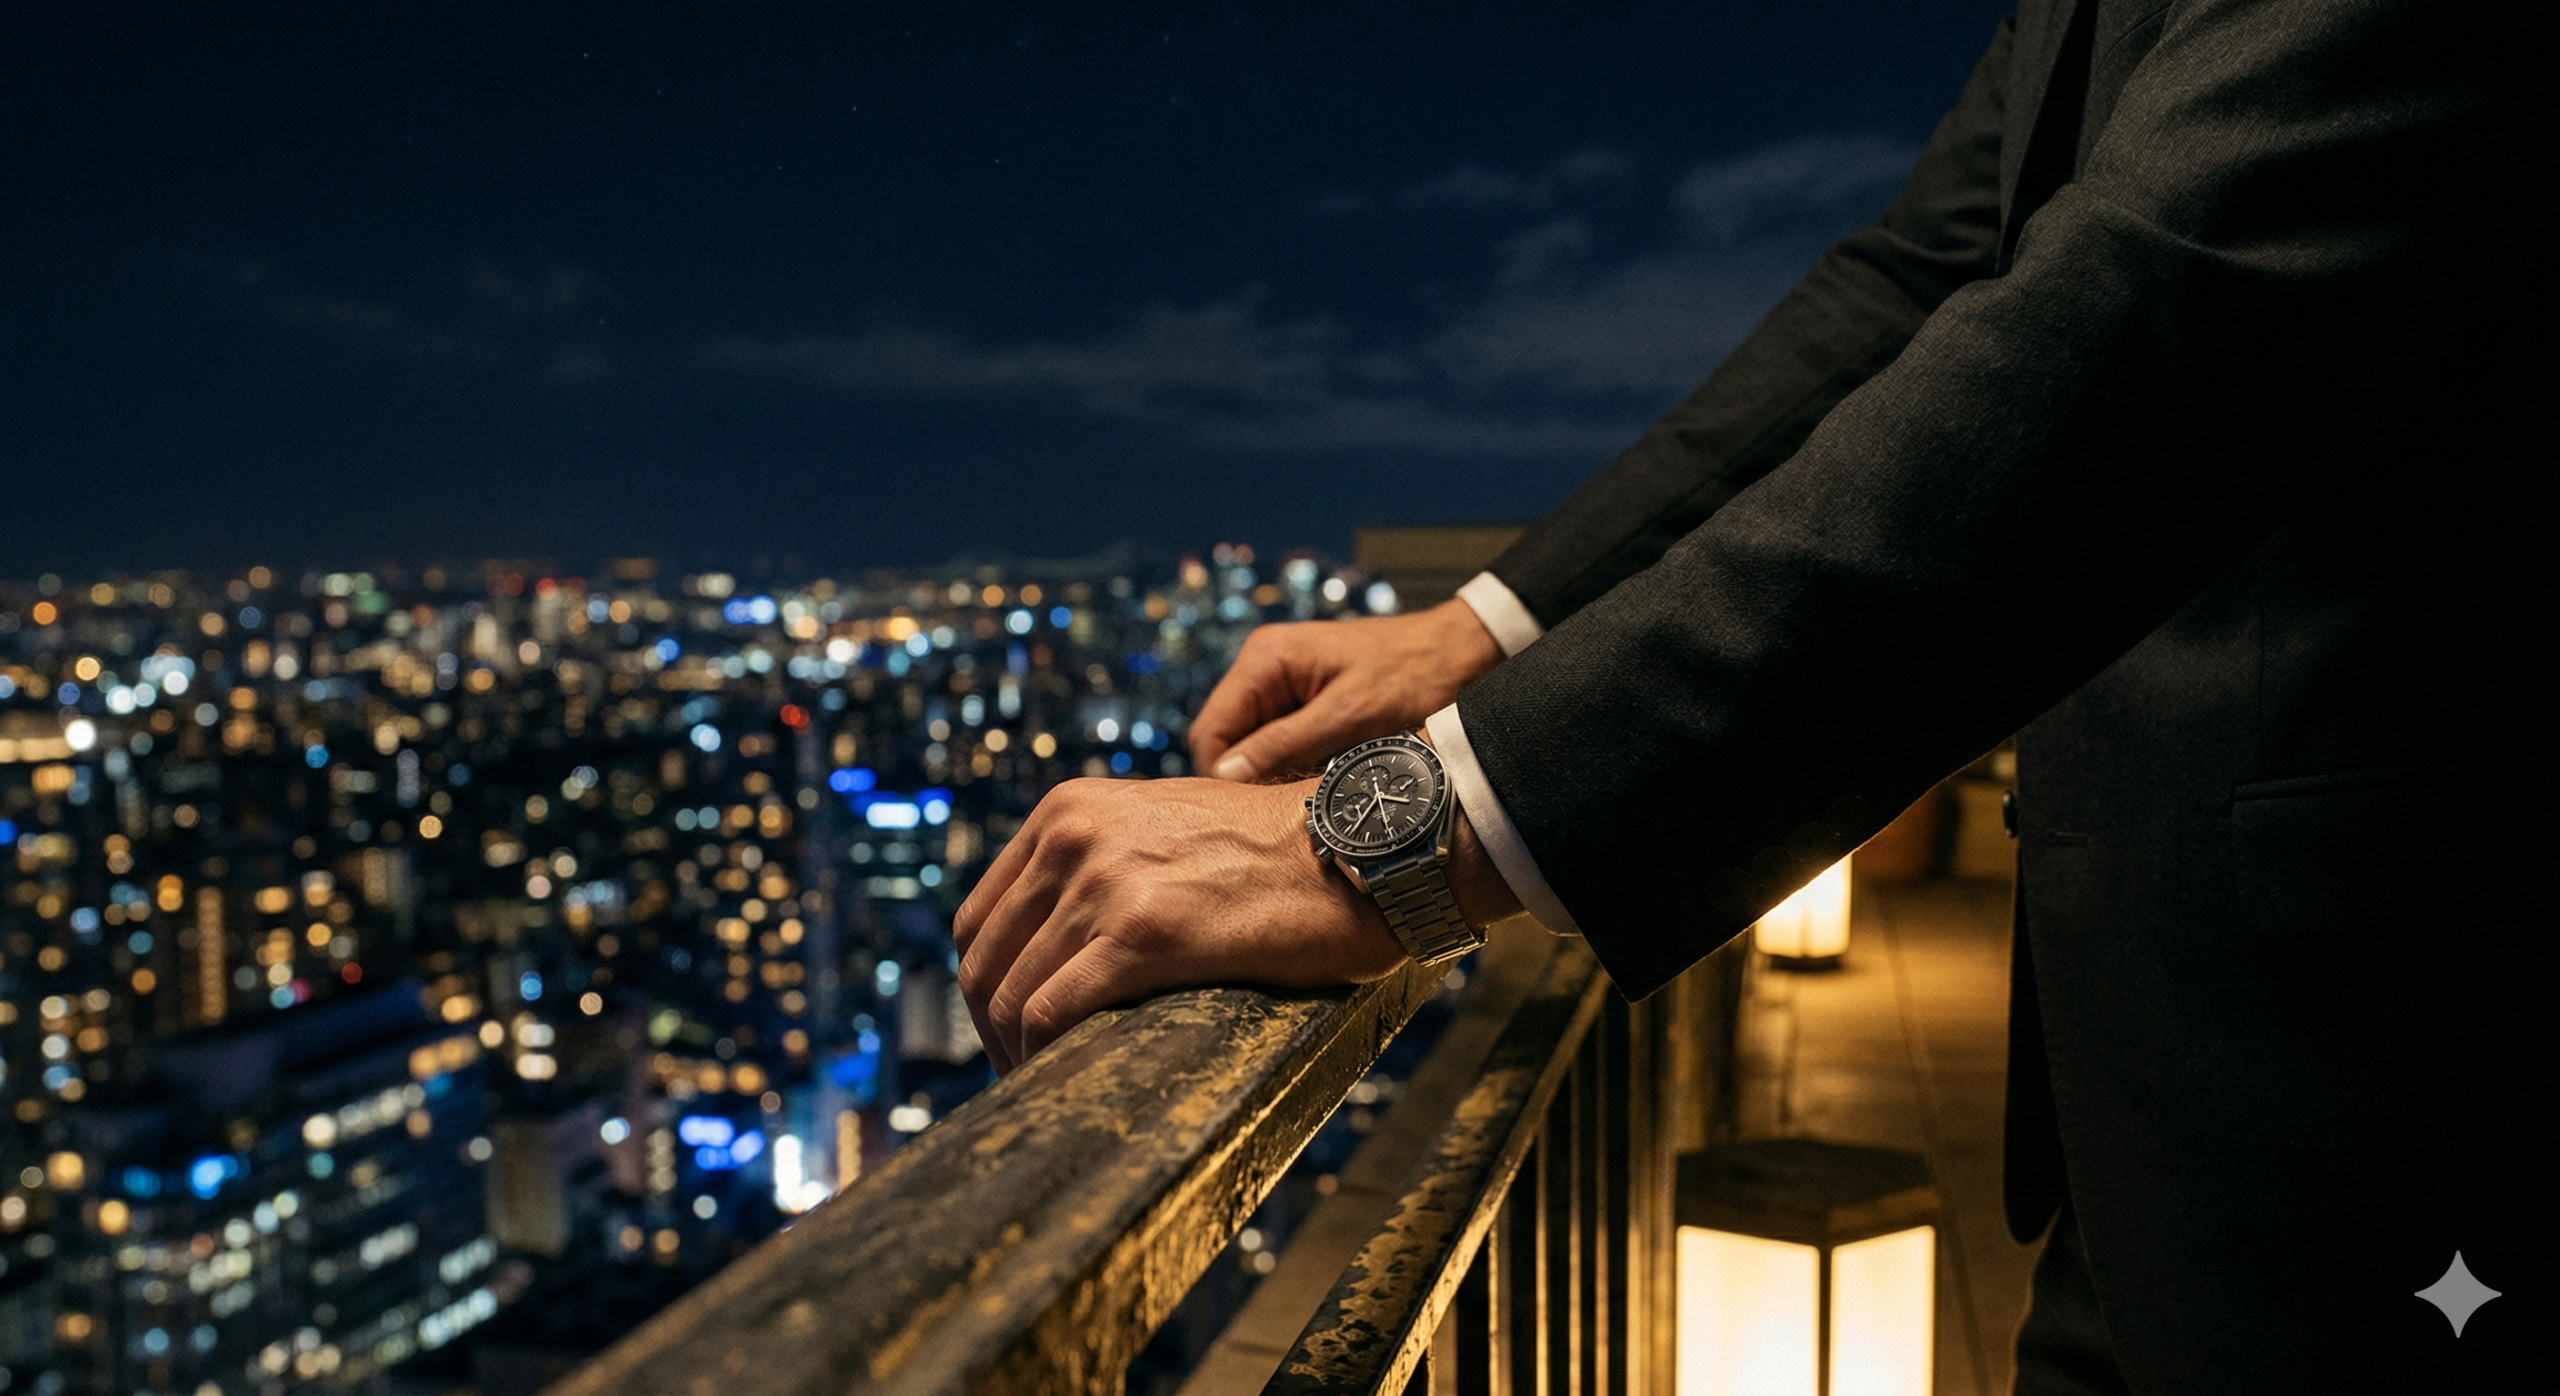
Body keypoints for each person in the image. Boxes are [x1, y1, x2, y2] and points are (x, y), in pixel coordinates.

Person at [955, 0, 2546, 1387]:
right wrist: (1487, 631)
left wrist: (1396, 841)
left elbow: (2158, 313)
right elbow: (1926, 278)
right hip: (2154, 1109)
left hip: (2416, 1107)